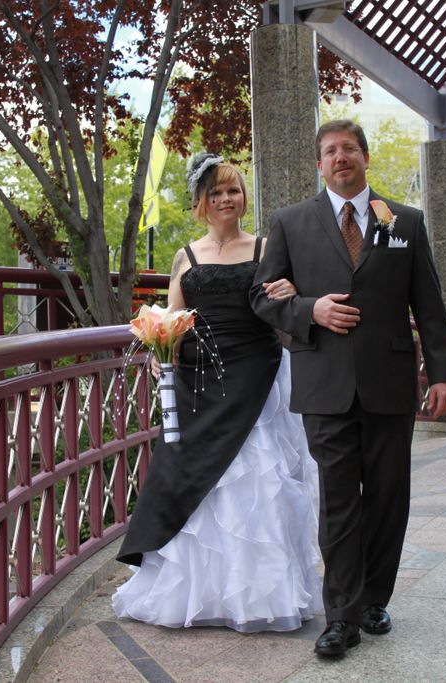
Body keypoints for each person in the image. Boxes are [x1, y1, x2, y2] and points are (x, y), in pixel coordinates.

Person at [250, 119, 446, 657]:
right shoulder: (291, 223)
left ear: (365, 158)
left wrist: (443, 375)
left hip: (390, 382)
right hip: (324, 383)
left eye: (349, 149)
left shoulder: (405, 221)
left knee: (388, 497)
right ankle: (340, 616)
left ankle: (373, 600)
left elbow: (429, 307)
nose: (340, 157)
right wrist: (308, 309)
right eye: (329, 151)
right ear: (319, 165)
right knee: (339, 499)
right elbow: (262, 298)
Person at [113, 154, 322, 633]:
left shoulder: (267, 247)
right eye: (216, 193)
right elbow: (174, 317)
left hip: (256, 374)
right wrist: (159, 345)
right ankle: (199, 594)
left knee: (257, 480)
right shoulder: (185, 256)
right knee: (190, 477)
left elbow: (289, 303)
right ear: (199, 203)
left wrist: (291, 291)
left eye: (233, 191)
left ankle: (259, 596)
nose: (226, 200)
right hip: (198, 378)